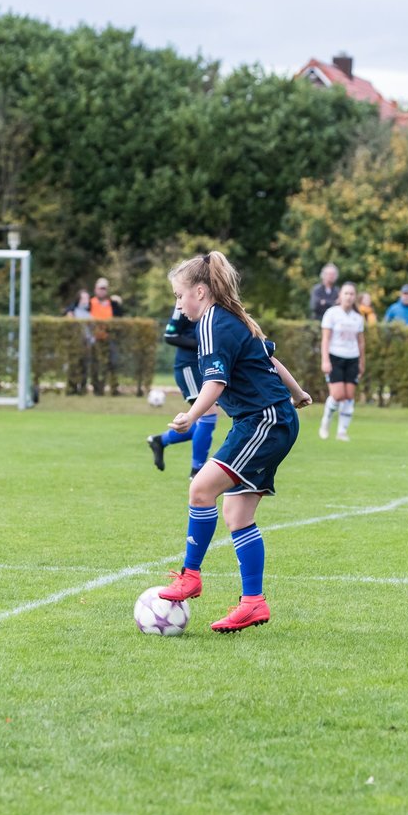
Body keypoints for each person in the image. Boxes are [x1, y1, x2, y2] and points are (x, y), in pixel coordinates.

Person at [154, 251, 311, 633]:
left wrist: (191, 415)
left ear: (201, 291)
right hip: (269, 418)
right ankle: (253, 604)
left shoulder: (212, 324)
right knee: (237, 516)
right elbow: (270, 360)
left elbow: (216, 383)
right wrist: (299, 392)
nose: (178, 304)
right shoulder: (232, 319)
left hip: (264, 420)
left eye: (179, 295)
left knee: (201, 488)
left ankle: (190, 576)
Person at [146, 302, 218, 478]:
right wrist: (202, 345)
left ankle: (160, 441)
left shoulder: (214, 306)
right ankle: (196, 470)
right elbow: (170, 335)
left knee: (204, 421)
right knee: (208, 414)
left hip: (204, 367)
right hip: (188, 367)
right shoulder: (183, 306)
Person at [318, 282, 365, 441]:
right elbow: (325, 339)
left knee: (349, 396)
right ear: (340, 296)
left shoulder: (358, 317)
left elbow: (360, 342)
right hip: (335, 357)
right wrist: (325, 360)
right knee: (337, 395)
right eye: (346, 293)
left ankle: (342, 431)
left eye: (352, 294)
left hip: (352, 358)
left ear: (355, 297)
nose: (349, 297)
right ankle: (326, 422)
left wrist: (361, 362)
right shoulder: (331, 314)